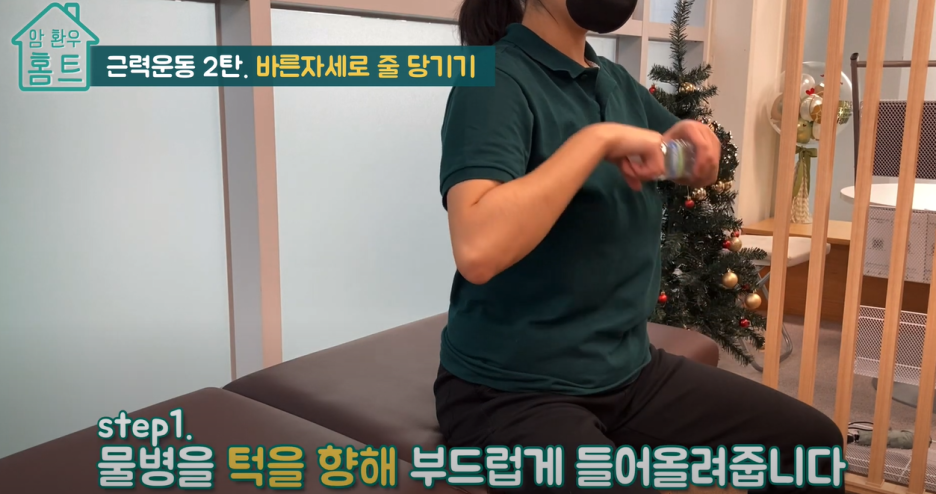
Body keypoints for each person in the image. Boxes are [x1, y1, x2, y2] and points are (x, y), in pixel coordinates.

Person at [433, 0, 845, 493]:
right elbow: (478, 250)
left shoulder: (610, 81)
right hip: (511, 390)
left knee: (812, 447)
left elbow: (684, 166)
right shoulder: (492, 81)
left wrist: (696, 148)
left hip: (628, 372)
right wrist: (597, 142)